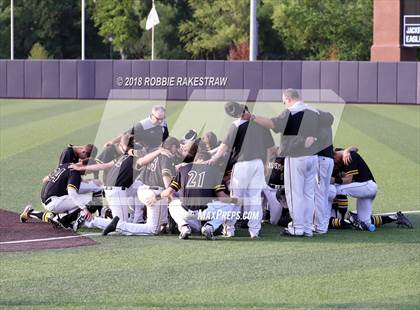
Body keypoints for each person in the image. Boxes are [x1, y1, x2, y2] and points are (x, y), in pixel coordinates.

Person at [244, 89, 330, 237]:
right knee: (309, 194)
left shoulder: (291, 112)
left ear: (288, 99)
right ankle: (308, 228)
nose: (283, 104)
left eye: (283, 101)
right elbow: (330, 119)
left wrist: (252, 117)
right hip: (313, 158)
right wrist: (313, 138)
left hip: (296, 157)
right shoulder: (314, 111)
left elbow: (272, 123)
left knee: (294, 194)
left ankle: (297, 227)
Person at [208, 101, 276, 238]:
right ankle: (254, 231)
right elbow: (272, 149)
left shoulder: (235, 125)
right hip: (258, 164)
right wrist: (268, 165)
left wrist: (214, 159)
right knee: (255, 199)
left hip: (242, 164)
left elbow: (225, 146)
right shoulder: (261, 124)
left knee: (236, 199)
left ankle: (229, 230)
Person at [146, 148, 238, 240]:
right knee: (230, 204)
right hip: (206, 212)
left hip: (185, 211)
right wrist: (236, 200)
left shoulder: (183, 169)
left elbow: (169, 192)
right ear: (208, 160)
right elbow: (222, 197)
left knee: (172, 204)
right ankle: (210, 226)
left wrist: (156, 197)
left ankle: (184, 227)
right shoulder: (214, 170)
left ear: (195, 159)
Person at [101, 137, 180, 236]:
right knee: (153, 229)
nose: (177, 151)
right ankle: (119, 226)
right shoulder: (166, 157)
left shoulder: (152, 153)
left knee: (156, 223)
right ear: (172, 146)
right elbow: (167, 186)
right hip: (153, 193)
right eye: (177, 147)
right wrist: (171, 200)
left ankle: (96, 221)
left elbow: (139, 161)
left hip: (142, 190)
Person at [20, 159, 99, 228]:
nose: (87, 173)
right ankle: (63, 219)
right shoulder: (75, 172)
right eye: (89, 171)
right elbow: (72, 193)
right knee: (93, 201)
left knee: (54, 216)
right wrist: (85, 209)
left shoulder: (66, 165)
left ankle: (30, 212)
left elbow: (45, 179)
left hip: (46, 199)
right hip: (56, 202)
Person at [97, 105, 169, 165]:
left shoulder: (163, 122)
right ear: (151, 115)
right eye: (158, 119)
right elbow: (126, 134)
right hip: (144, 152)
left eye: (162, 118)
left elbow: (165, 135)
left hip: (154, 150)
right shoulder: (142, 125)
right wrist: (112, 142)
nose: (160, 121)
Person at [332, 149, 378, 230]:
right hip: (364, 191)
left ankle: (341, 219)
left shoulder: (349, 157)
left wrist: (334, 180)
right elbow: (351, 148)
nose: (334, 164)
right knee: (365, 223)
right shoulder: (339, 153)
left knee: (338, 189)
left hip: (367, 186)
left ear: (335, 156)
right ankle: (395, 217)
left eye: (334, 161)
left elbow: (348, 180)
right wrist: (347, 150)